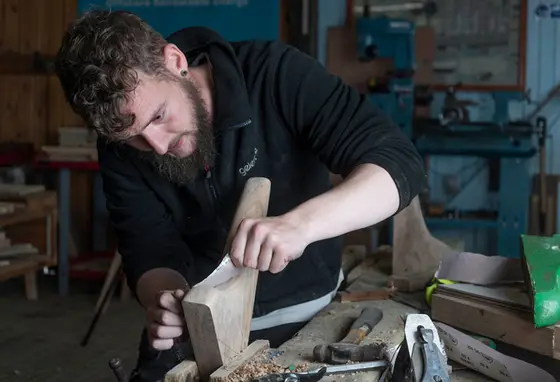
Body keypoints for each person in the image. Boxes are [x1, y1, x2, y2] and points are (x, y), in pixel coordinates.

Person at [54, 9, 426, 382]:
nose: (157, 145)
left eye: (158, 117)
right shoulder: (121, 144)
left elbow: (398, 164)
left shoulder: (275, 73)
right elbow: (147, 247)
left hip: (307, 315)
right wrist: (163, 298)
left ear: (175, 62)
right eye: (133, 138)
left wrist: (301, 225)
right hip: (201, 329)